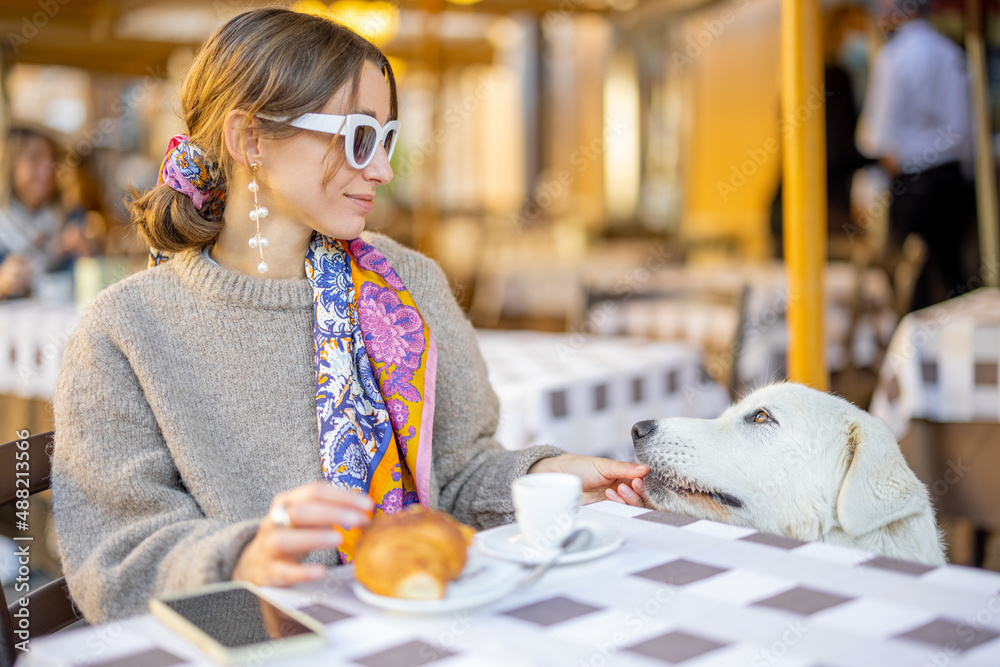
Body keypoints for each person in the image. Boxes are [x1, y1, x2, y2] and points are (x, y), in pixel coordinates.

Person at [51, 8, 648, 624]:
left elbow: (458, 475)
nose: (384, 171)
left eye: (386, 139)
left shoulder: (407, 285)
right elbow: (113, 566)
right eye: (359, 137)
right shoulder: (124, 332)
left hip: (425, 618)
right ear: (250, 139)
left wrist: (551, 476)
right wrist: (238, 561)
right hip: (260, 643)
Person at [856, 0, 975, 309]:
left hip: (914, 183)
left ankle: (916, 355)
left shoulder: (892, 59)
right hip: (952, 179)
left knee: (914, 281)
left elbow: (879, 138)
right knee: (954, 274)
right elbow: (967, 128)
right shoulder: (953, 55)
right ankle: (957, 350)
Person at [769, 5, 874, 259]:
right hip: (821, 211)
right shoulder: (836, 78)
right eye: (857, 30)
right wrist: (880, 160)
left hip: (786, 208)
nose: (864, 39)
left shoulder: (801, 78)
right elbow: (836, 152)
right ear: (838, 33)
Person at [0, 124, 92, 299]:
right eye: (34, 159)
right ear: (10, 164)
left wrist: (89, 255)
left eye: (52, 160)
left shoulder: (71, 217)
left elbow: (98, 286)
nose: (47, 170)